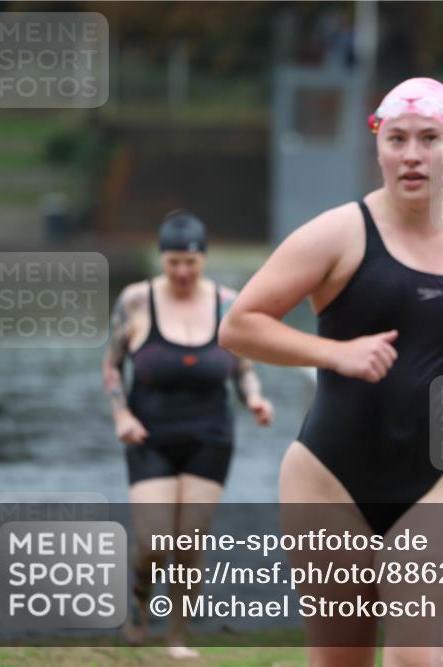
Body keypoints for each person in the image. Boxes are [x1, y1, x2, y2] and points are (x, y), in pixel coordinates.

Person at [220, 77, 443, 666]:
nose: (413, 154)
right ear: (378, 147)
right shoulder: (337, 234)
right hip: (329, 479)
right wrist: (333, 353)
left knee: (424, 659)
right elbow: (240, 326)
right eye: (397, 139)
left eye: (429, 139)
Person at [102, 210, 274, 660]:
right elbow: (112, 365)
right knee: (154, 541)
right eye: (173, 262)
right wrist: (121, 415)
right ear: (161, 259)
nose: (182, 271)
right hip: (149, 435)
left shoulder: (227, 303)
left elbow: (244, 368)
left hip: (210, 436)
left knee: (190, 540)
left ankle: (176, 638)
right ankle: (139, 599)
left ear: (204, 259)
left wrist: (255, 399)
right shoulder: (136, 301)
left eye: (191, 263)